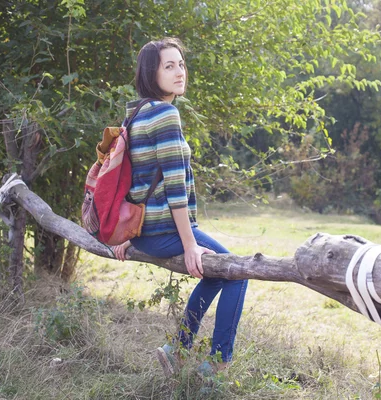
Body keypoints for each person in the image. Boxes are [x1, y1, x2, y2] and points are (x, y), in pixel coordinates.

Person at [112, 38, 248, 377]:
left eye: (181, 65)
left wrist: (132, 234)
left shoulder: (137, 113)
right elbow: (174, 188)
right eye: (168, 66)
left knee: (217, 274)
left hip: (145, 232)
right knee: (237, 273)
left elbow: (137, 180)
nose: (179, 73)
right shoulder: (165, 114)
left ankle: (178, 349)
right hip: (164, 230)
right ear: (150, 72)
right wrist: (190, 245)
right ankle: (216, 362)